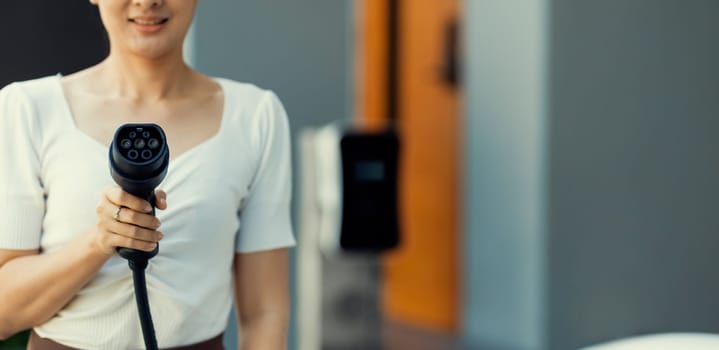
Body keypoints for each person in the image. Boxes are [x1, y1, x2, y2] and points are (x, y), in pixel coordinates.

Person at [0, 0, 295, 348]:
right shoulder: (27, 109)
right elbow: (5, 315)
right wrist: (98, 243)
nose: (147, 2)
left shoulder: (255, 116)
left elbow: (265, 312)